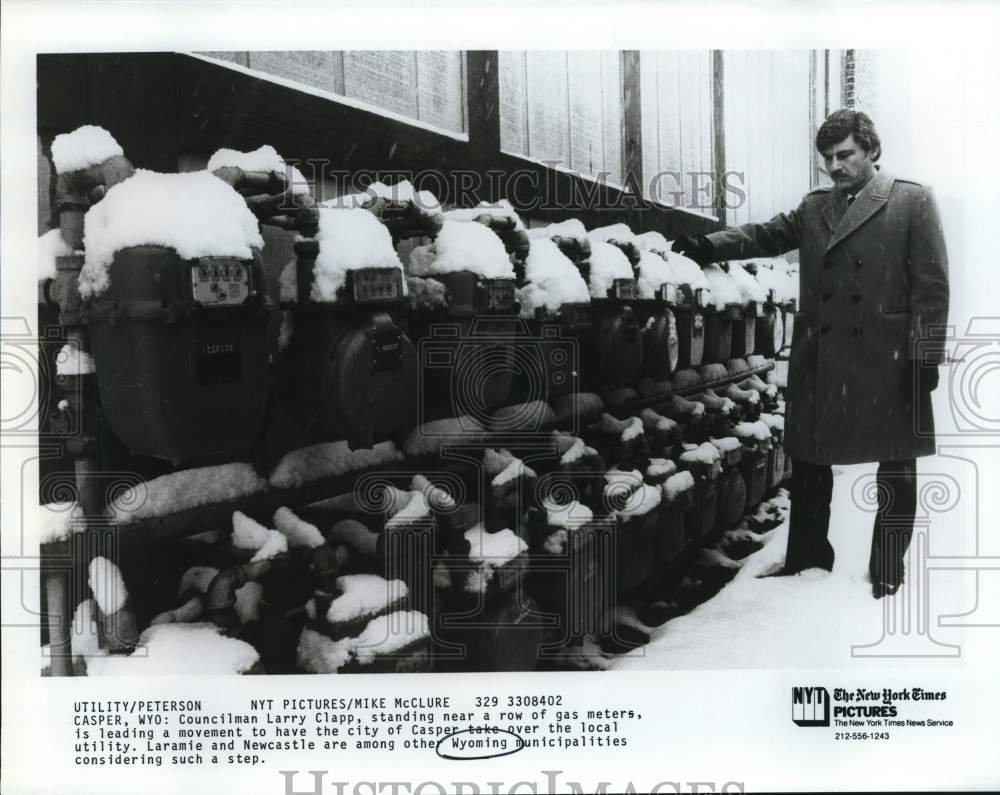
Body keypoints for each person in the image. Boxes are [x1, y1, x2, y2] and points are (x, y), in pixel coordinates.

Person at [672, 109, 949, 599]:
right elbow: (763, 234)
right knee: (810, 464)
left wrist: (925, 356)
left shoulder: (912, 201)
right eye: (828, 159)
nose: (836, 166)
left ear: (872, 152)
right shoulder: (815, 206)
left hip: (889, 360)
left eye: (845, 155)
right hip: (825, 358)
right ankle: (806, 562)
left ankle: (887, 571)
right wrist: (704, 246)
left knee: (898, 468)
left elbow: (932, 288)